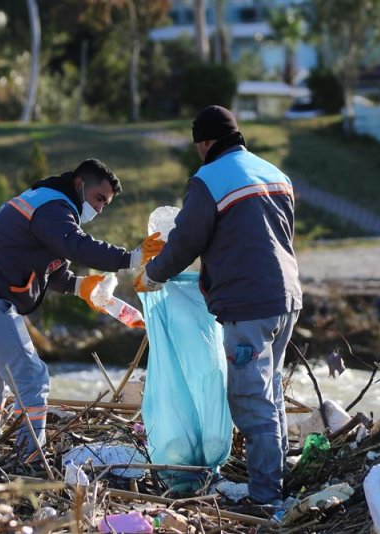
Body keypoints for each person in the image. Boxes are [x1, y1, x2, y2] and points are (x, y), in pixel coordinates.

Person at [134, 105, 302, 507]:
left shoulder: (208, 179)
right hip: (287, 298)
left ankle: (266, 498)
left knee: (250, 398)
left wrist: (153, 275)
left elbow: (187, 240)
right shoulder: (275, 174)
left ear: (205, 143)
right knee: (270, 393)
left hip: (248, 304)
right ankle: (278, 486)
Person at [0, 158, 163, 454]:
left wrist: (81, 287)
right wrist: (131, 258)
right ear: (79, 184)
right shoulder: (54, 207)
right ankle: (32, 457)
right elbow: (76, 245)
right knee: (33, 380)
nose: (99, 209)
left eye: (106, 204)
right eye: (98, 198)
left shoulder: (44, 202)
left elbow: (52, 272)